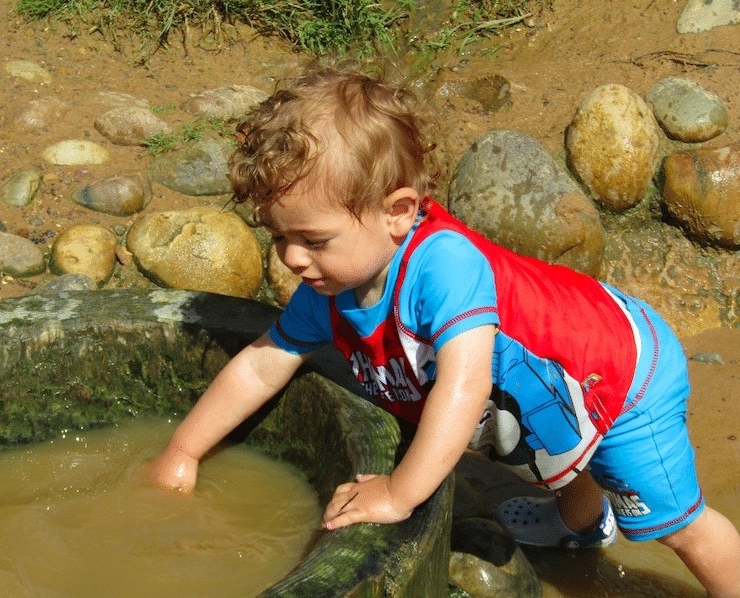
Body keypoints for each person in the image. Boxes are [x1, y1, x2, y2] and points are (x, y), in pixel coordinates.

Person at [149, 65, 740, 596]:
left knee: (677, 527)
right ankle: (581, 524)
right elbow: (263, 360)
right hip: (561, 382)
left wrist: (399, 492)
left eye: (314, 240)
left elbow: (466, 382)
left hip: (622, 375)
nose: (292, 260)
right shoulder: (327, 291)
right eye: (279, 237)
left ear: (399, 210)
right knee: (554, 436)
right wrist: (184, 449)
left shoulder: (444, 266)